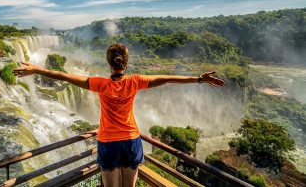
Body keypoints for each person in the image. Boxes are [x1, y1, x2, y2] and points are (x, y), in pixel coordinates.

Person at [13, 43, 225, 187]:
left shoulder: (100, 84)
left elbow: (65, 77)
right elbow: (168, 79)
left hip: (108, 142)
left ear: (109, 63)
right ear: (125, 62)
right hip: (132, 140)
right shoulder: (135, 81)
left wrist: (37, 70)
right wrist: (199, 79)